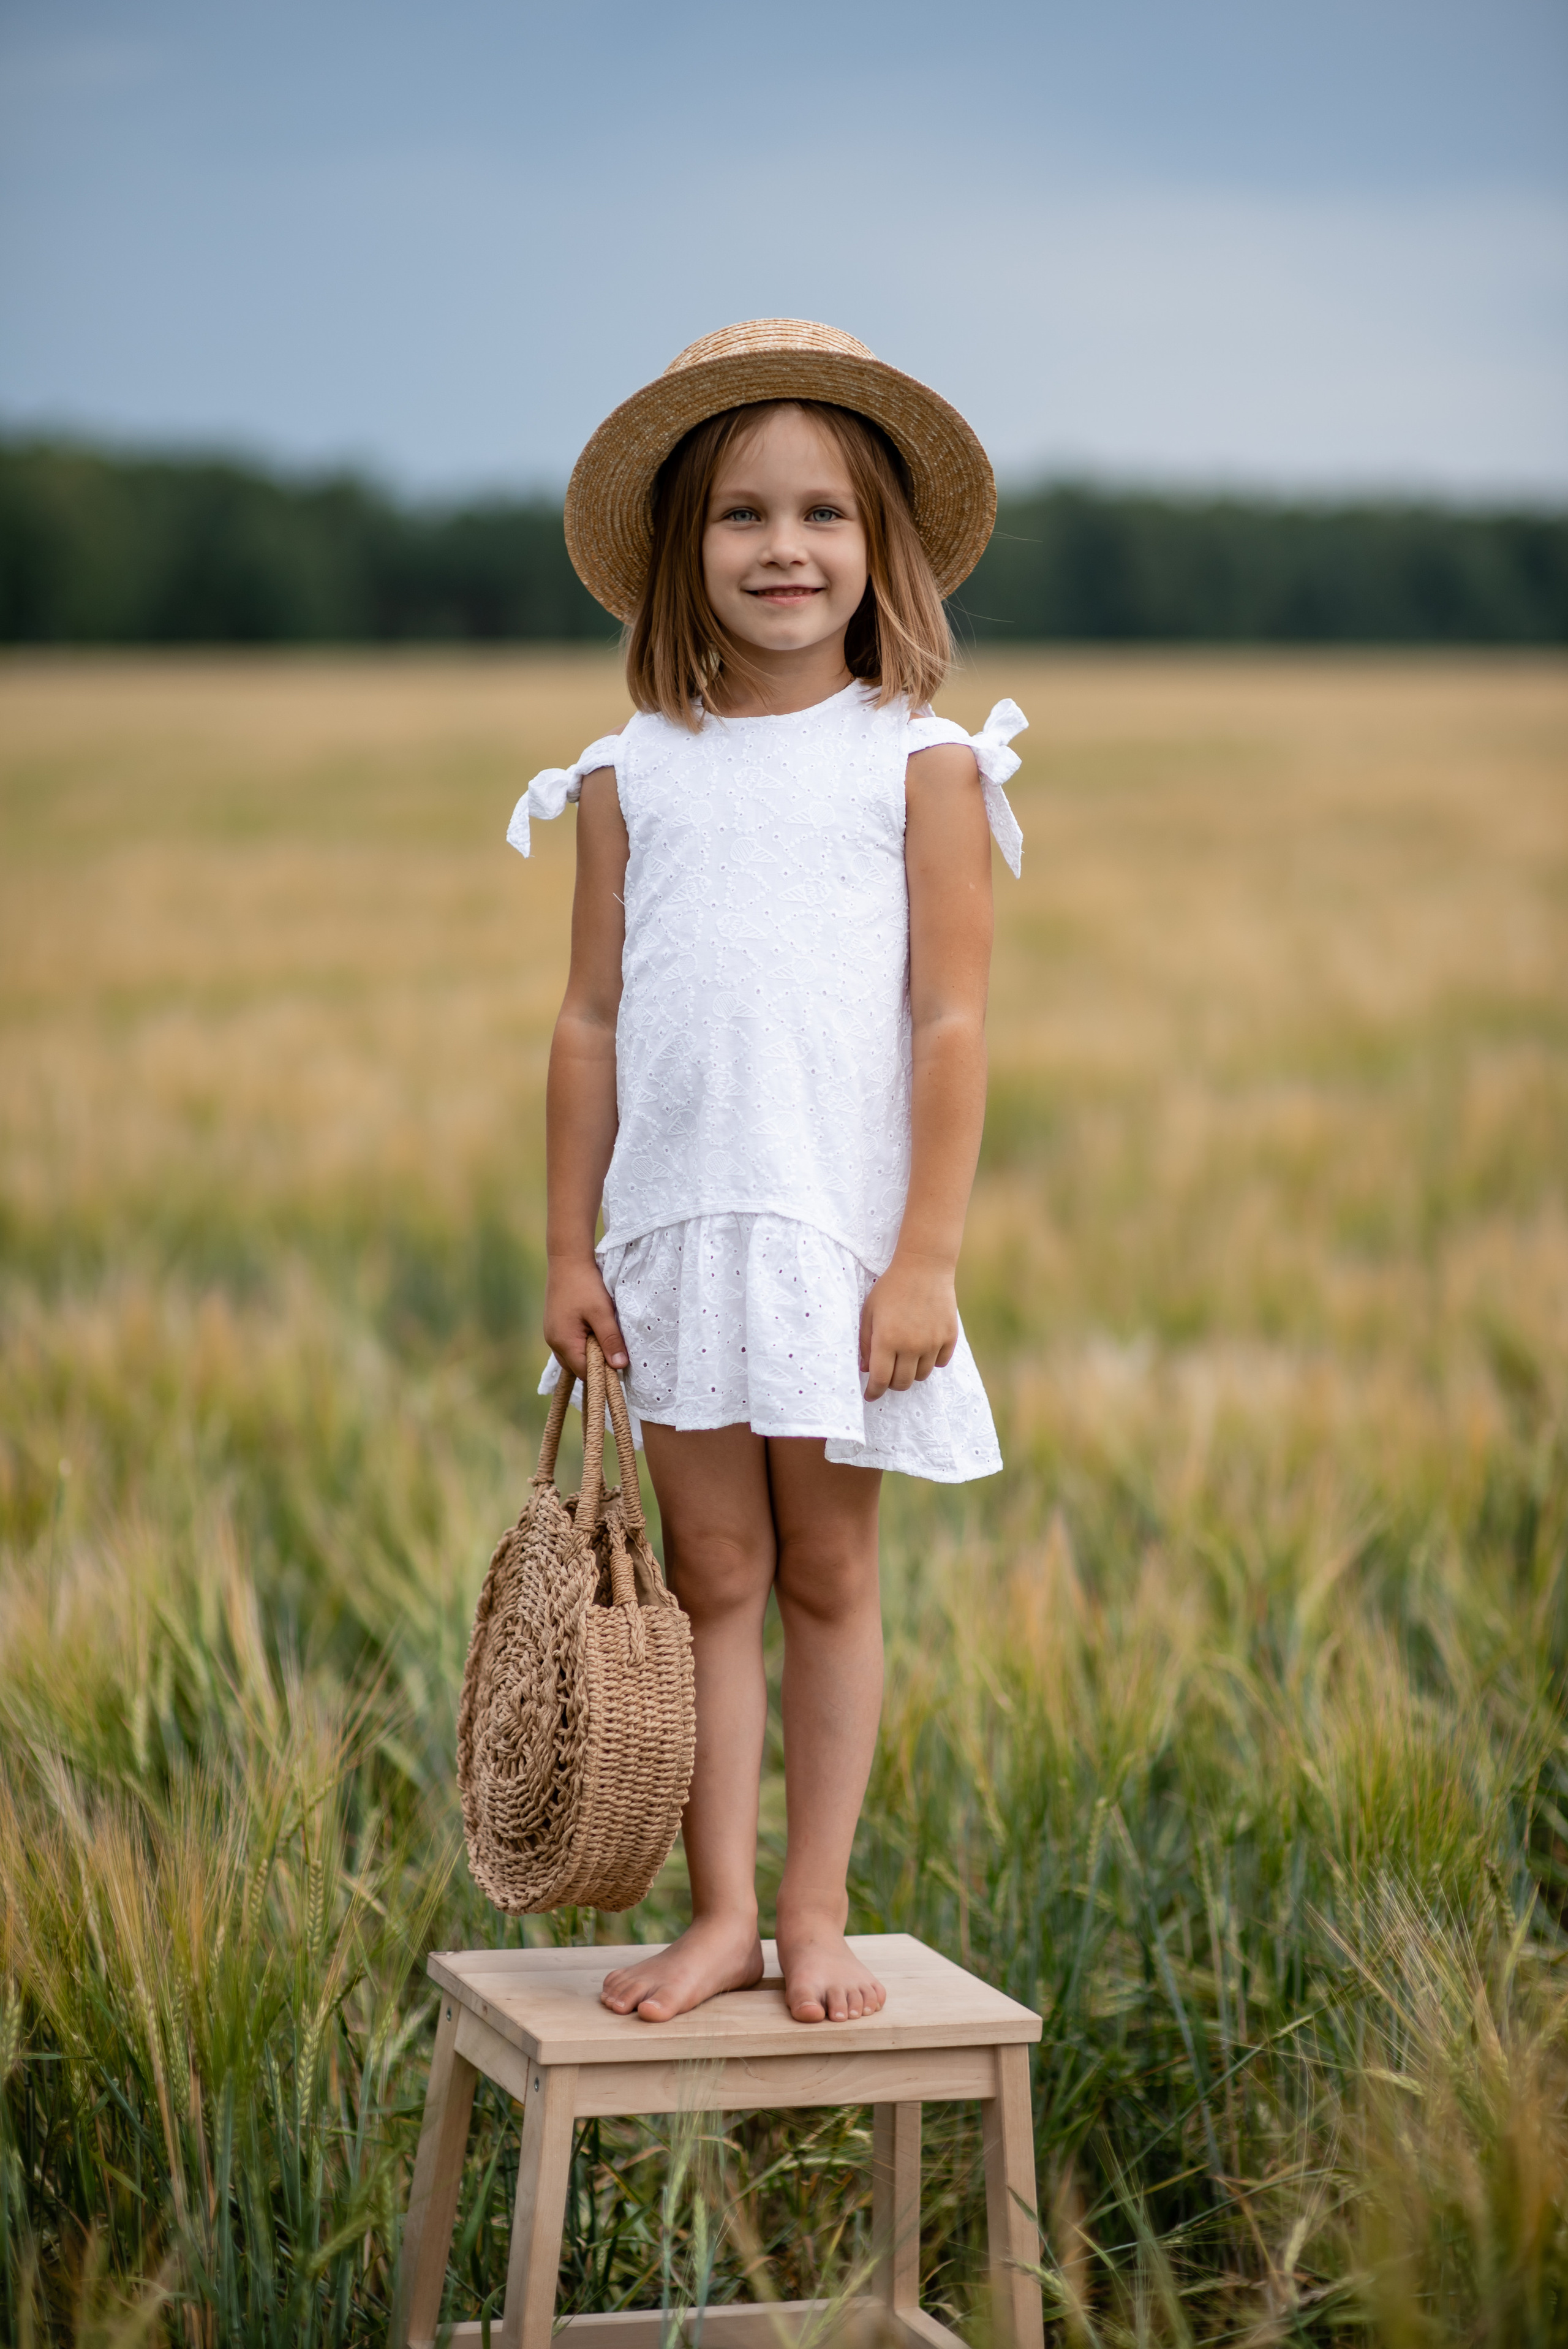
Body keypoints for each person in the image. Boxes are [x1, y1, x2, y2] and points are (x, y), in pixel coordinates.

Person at [508, 320, 1026, 2027]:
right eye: (742, 514)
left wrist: (926, 1258)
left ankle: (818, 1903)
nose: (784, 548)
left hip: (840, 1244)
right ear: (681, 547)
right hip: (676, 1242)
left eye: (821, 514)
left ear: (881, 546)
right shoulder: (626, 775)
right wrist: (572, 1247)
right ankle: (721, 1906)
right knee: (708, 1573)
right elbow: (588, 1021)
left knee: (827, 1573)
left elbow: (951, 1021)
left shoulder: (919, 761)